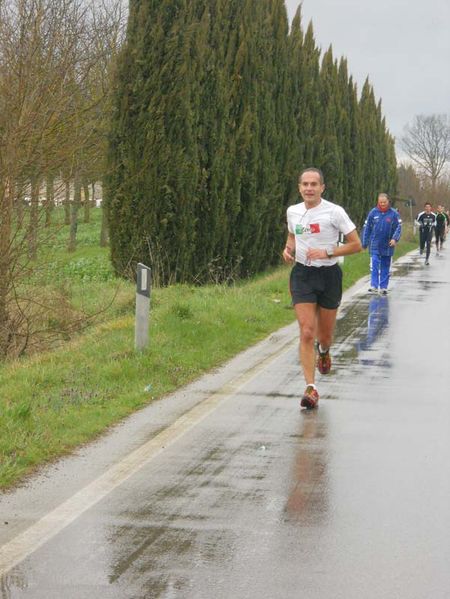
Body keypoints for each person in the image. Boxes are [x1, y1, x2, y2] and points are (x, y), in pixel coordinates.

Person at [283, 167, 362, 409]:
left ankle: (324, 351)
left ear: (322, 188)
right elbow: (292, 235)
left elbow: (357, 245)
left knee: (324, 335)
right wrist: (288, 249)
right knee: (307, 331)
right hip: (302, 274)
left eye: (313, 184)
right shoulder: (293, 211)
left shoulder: (334, 212)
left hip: (329, 275)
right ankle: (311, 388)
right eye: (305, 184)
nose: (309, 188)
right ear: (299, 188)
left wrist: (328, 251)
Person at [361, 193, 402, 295]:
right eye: (380, 202)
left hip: (388, 244)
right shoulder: (373, 212)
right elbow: (367, 228)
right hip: (375, 243)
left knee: (385, 265)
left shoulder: (394, 214)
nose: (382, 204)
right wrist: (364, 242)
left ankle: (383, 287)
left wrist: (394, 239)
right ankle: (374, 285)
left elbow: (399, 227)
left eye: (384, 202)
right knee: (374, 263)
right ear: (378, 202)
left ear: (388, 202)